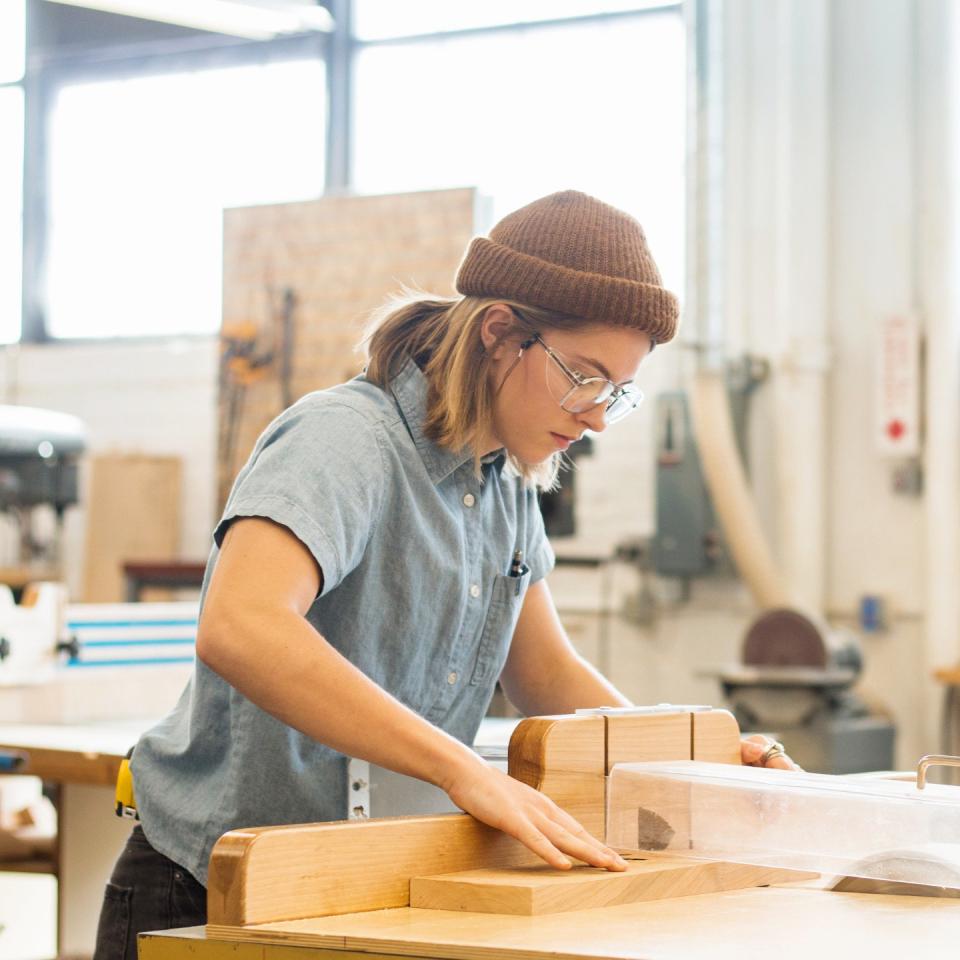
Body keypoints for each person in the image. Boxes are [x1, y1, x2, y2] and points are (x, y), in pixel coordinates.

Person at [92, 190, 796, 960]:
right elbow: (242, 626)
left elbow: (546, 672)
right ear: (500, 333)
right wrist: (463, 771)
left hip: (356, 886)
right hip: (206, 887)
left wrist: (692, 762)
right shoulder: (345, 440)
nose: (596, 416)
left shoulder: (504, 485)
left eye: (615, 394)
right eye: (585, 377)